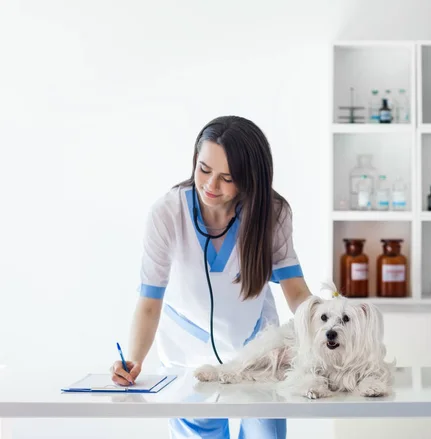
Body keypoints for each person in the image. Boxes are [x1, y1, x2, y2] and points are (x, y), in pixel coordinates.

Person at [110, 115, 312, 439]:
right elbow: (149, 302)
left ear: (249, 179)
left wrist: (330, 327)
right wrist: (133, 360)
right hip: (188, 357)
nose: (210, 186)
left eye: (227, 177)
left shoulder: (271, 213)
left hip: (258, 354)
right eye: (204, 170)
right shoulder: (167, 213)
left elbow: (297, 292)